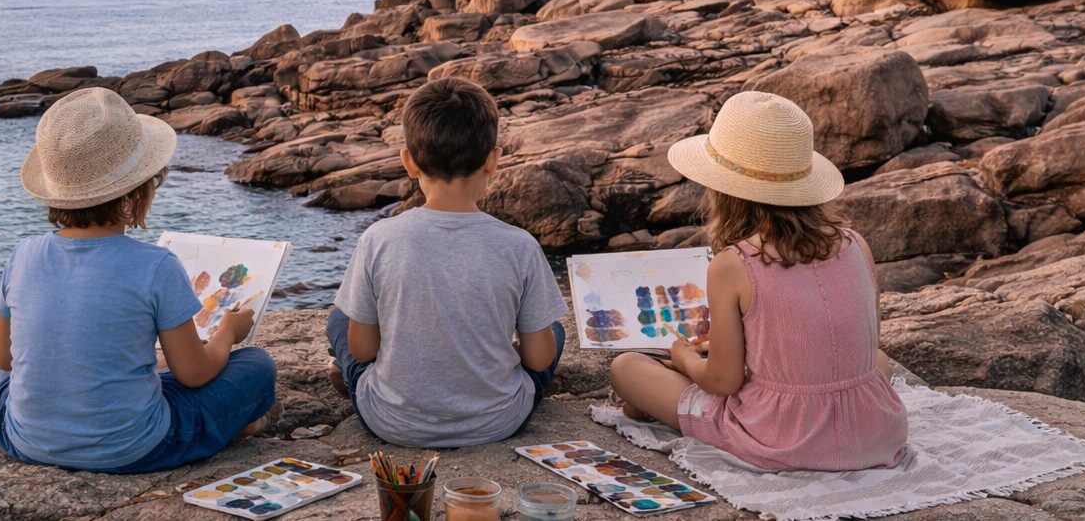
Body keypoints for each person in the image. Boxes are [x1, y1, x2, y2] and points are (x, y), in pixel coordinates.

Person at [609, 90, 908, 472]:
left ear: (724, 191)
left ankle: (660, 402)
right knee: (875, 361)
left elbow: (723, 381)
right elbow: (861, 342)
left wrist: (686, 360)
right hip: (875, 431)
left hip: (782, 438)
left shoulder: (733, 264)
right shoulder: (856, 244)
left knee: (626, 368)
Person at [0, 87, 278, 473]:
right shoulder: (156, 265)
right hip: (133, 449)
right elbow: (194, 374)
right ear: (139, 189)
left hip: (25, 440)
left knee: (6, 379)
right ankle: (230, 424)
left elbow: (5, 359)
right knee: (257, 365)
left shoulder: (22, 254)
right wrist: (226, 332)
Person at [325, 77, 568, 447]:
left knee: (341, 317)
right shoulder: (520, 246)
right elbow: (538, 360)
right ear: (493, 160)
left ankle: (353, 378)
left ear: (409, 162)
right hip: (498, 421)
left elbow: (363, 350)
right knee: (553, 330)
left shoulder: (378, 239)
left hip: (393, 421)